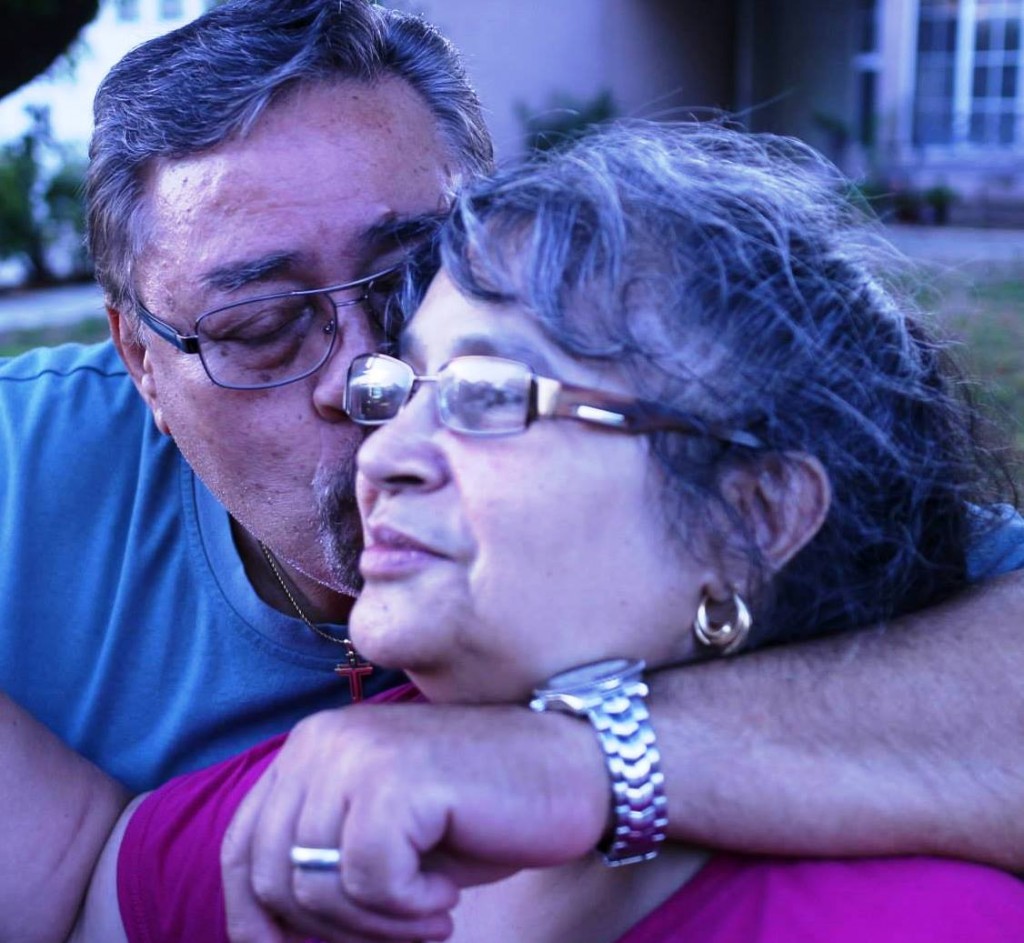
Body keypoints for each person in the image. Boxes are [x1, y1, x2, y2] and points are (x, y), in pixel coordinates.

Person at [3, 0, 1024, 939]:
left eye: (415, 284)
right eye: (262, 328)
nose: (376, 392)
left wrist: (596, 756)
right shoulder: (327, 775)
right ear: (140, 362)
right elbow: (91, 881)